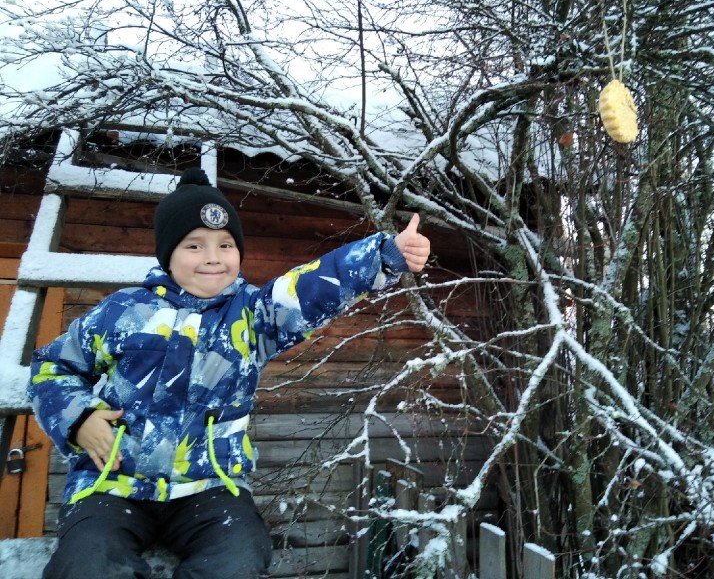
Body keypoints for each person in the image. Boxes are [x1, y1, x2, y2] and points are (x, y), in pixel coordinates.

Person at [28, 168, 431, 579]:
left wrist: (382, 255)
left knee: (239, 558)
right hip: (112, 485)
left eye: (225, 244)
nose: (213, 257)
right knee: (86, 563)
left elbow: (309, 289)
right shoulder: (122, 311)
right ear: (168, 253)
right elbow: (53, 365)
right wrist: (79, 419)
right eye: (194, 245)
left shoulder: (253, 316)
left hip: (209, 488)